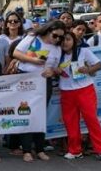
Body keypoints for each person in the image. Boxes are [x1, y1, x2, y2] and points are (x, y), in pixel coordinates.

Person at [12, 20, 64, 162]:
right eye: (55, 36)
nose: (57, 39)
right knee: (26, 112)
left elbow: (57, 68)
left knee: (40, 115)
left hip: (44, 83)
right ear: (48, 31)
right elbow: (16, 53)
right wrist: (33, 60)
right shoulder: (32, 38)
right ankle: (26, 150)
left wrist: (52, 72)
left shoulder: (57, 48)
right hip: (26, 79)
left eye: (61, 37)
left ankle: (40, 149)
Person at [57, 32, 101, 162]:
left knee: (91, 119)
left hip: (85, 89)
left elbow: (99, 65)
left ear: (74, 41)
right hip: (66, 91)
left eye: (68, 39)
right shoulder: (57, 54)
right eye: (62, 40)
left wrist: (88, 70)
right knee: (70, 122)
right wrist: (56, 71)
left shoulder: (84, 51)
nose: (65, 42)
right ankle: (75, 150)